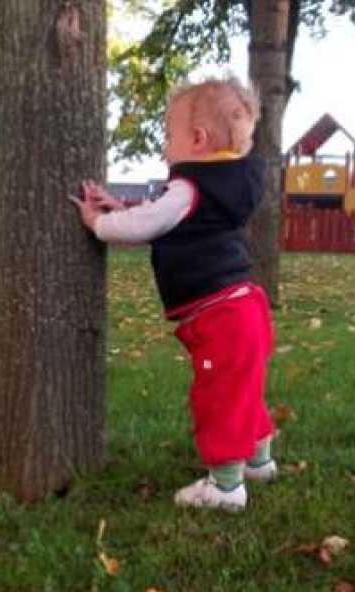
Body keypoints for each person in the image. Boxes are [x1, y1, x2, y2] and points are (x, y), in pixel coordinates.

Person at [69, 76, 277, 511]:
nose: (165, 147)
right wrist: (121, 207)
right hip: (244, 311)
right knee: (242, 386)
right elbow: (166, 221)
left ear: (197, 139)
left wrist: (97, 223)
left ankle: (225, 488)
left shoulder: (188, 187)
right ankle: (258, 460)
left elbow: (150, 223)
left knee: (216, 392)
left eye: (169, 135)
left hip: (219, 321)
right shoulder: (227, 186)